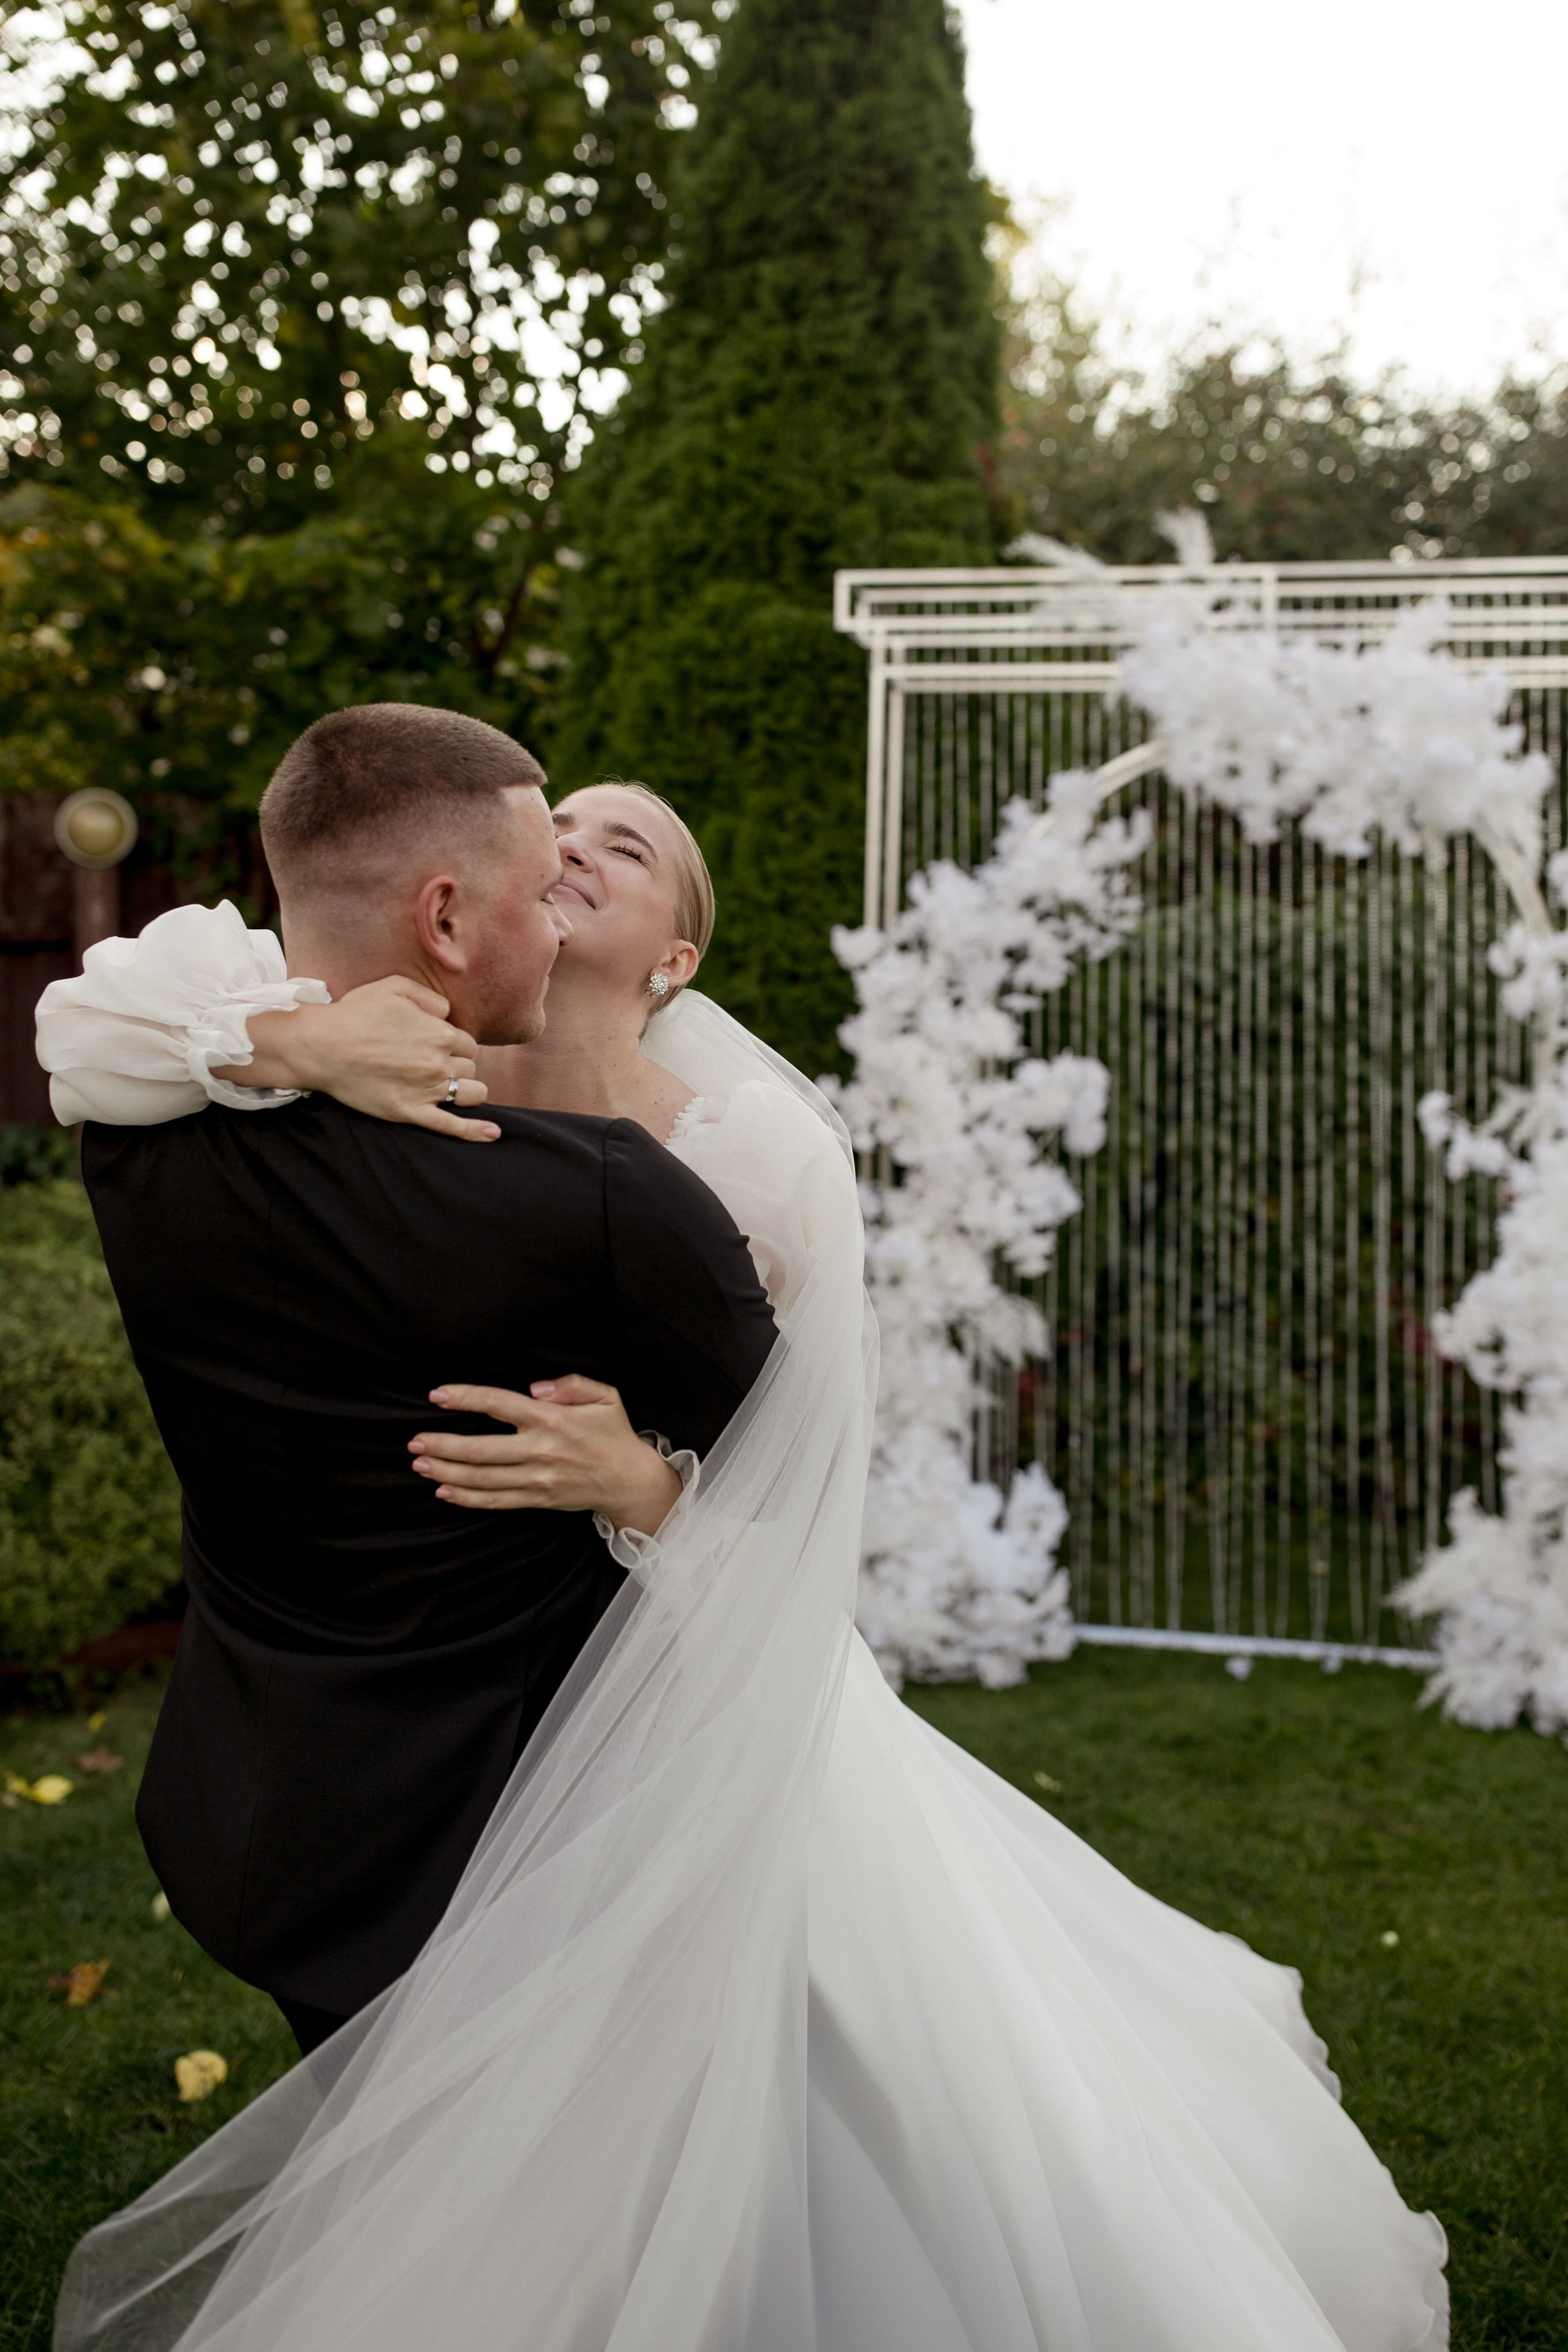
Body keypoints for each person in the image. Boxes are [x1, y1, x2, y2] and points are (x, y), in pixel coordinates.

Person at [42, 772, 1448, 2351]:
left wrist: (645, 1482)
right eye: (554, 835)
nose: (573, 852)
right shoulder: (357, 1071)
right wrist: (283, 1039)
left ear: (676, 962)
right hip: (453, 1721)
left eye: (623, 849)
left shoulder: (742, 1158)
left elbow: (807, 1499)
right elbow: (101, 1018)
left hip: (700, 1675)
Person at [34, 710, 777, 2059]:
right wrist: (650, 1483)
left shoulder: (139, 1132)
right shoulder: (602, 1195)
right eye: (536, 894)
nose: (556, 921)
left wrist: (285, 1045)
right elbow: (788, 1469)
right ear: (444, 921)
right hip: (526, 1843)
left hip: (272, 1820)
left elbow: (93, 1015)